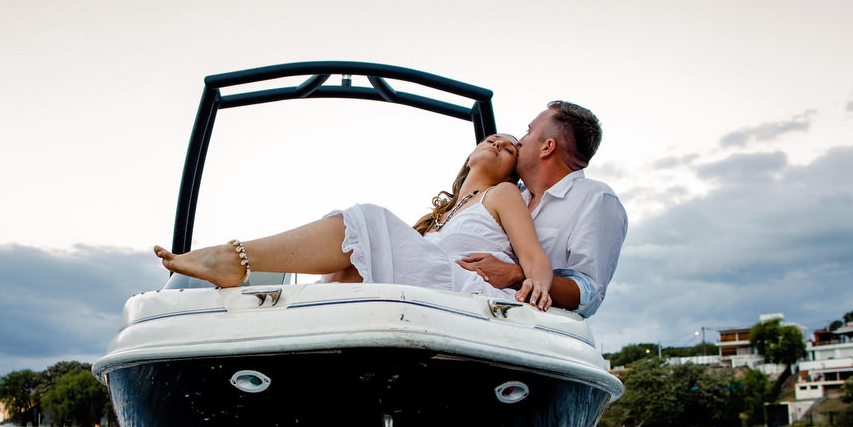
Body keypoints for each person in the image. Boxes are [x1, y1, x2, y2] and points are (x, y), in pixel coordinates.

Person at [154, 133, 558, 310]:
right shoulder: (439, 216)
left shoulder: (502, 195)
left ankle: (235, 258)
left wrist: (537, 283)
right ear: (469, 156)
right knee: (348, 270)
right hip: (428, 290)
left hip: (461, 293)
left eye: (510, 149)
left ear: (512, 173)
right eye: (493, 139)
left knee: (369, 220)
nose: (500, 145)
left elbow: (534, 256)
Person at [458, 101, 627, 317]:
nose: (519, 142)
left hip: (538, 329)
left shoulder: (596, 199)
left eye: (528, 132)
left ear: (547, 147)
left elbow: (589, 296)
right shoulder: (508, 193)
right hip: (469, 307)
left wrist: (515, 275)